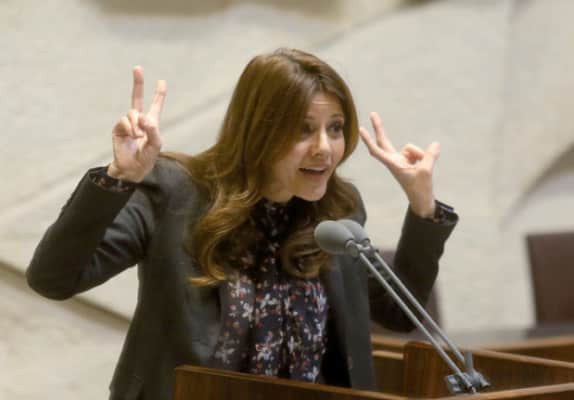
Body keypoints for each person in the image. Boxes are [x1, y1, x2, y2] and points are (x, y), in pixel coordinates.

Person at [26, 48, 457, 400]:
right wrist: (117, 180)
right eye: (303, 130)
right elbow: (52, 279)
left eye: (336, 128)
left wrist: (423, 206)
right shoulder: (177, 192)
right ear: (259, 131)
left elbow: (399, 314)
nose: (324, 148)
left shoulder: (336, 210)